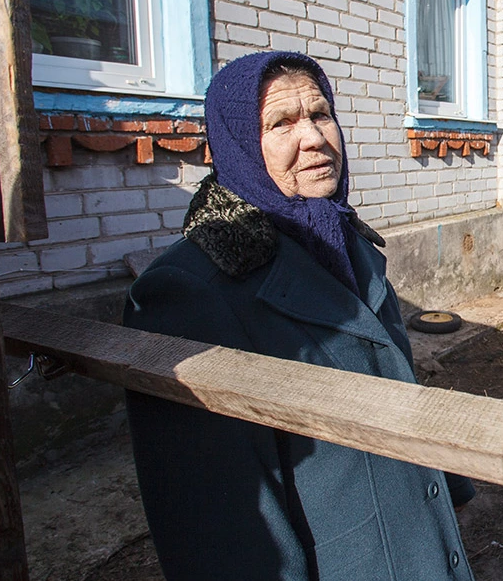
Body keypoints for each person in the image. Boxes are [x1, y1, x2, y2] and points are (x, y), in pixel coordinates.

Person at [123, 51, 475, 581]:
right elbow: (221, 534)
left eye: (320, 114)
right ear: (238, 143)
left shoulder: (343, 240)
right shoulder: (189, 293)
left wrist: (445, 491)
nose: (312, 138)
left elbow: (396, 383)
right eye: (280, 123)